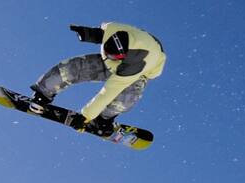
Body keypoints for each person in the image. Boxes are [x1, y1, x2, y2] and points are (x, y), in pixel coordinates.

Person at [31, 22, 165, 135]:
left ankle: (103, 119)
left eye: (113, 56)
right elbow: (101, 34)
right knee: (75, 67)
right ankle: (43, 92)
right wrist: (86, 33)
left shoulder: (137, 64)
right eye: (107, 52)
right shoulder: (112, 28)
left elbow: (108, 92)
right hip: (125, 51)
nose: (108, 56)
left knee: (128, 93)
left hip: (140, 70)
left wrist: (86, 116)